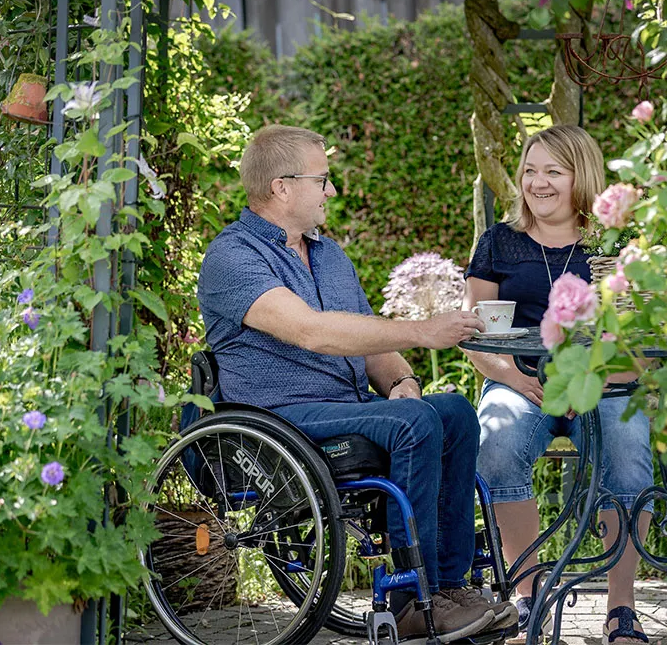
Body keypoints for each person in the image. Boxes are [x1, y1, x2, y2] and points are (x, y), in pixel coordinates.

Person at [197, 124, 518, 643]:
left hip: (348, 406)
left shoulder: (328, 254)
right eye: (322, 180)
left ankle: (452, 589)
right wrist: (422, 332)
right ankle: (412, 599)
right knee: (415, 424)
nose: (332, 191)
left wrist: (404, 382)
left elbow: (367, 339)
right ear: (281, 186)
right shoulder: (233, 258)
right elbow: (311, 331)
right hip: (280, 418)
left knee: (454, 410)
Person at [462, 125, 654, 645]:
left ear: (581, 176)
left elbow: (641, 343)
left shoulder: (615, 244)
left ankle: (622, 607)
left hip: (606, 382)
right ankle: (527, 596)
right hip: (521, 382)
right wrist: (512, 378)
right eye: (530, 170)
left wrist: (596, 378)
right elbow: (476, 333)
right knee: (496, 444)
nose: (537, 183)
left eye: (554, 171)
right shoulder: (498, 242)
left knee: (629, 447)